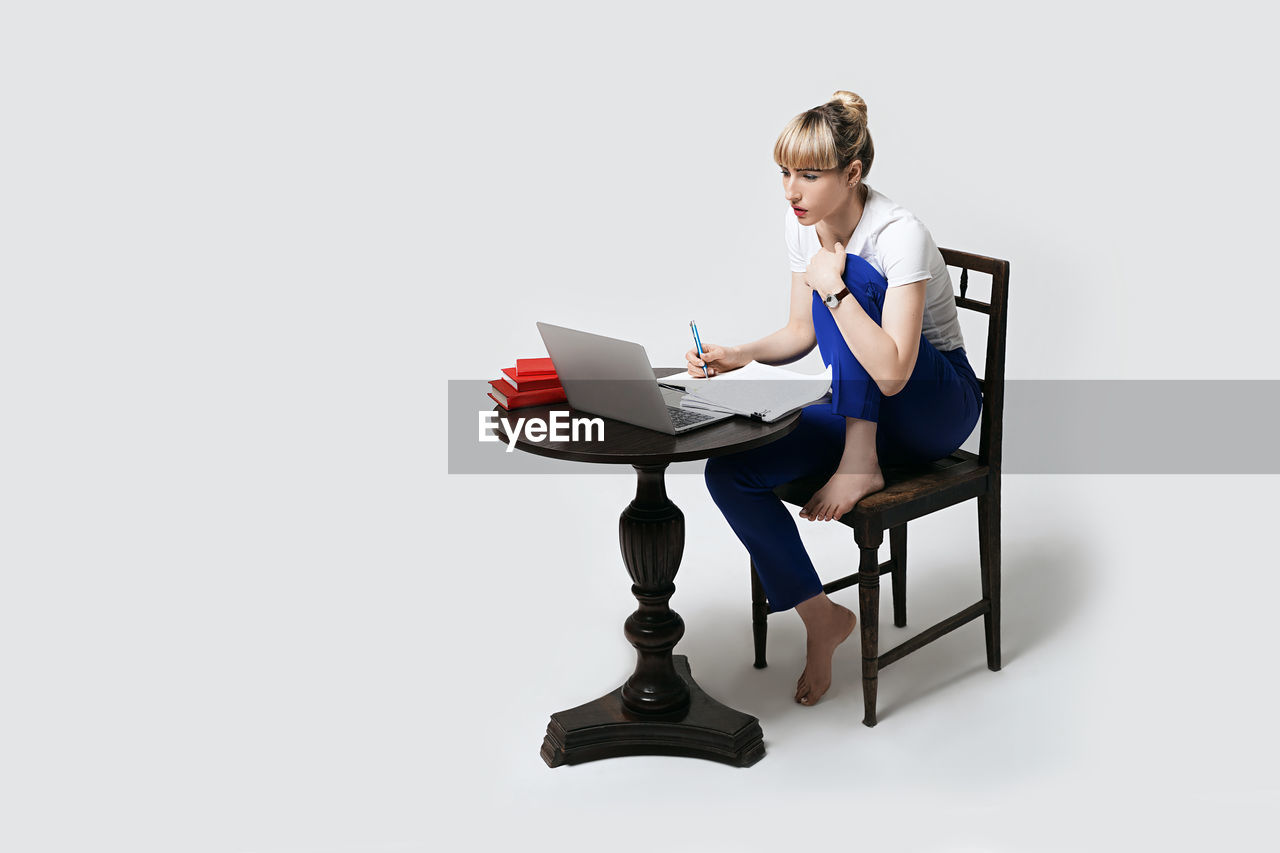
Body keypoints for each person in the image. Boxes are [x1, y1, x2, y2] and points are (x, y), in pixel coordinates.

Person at [688, 91, 983, 706]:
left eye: (809, 175)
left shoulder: (900, 232)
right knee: (731, 472)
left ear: (853, 173)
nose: (792, 191)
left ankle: (860, 461)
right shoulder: (806, 227)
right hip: (864, 405)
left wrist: (834, 285)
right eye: (785, 174)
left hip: (935, 405)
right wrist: (739, 353)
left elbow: (898, 372)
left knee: (849, 273)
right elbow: (801, 333)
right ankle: (821, 617)